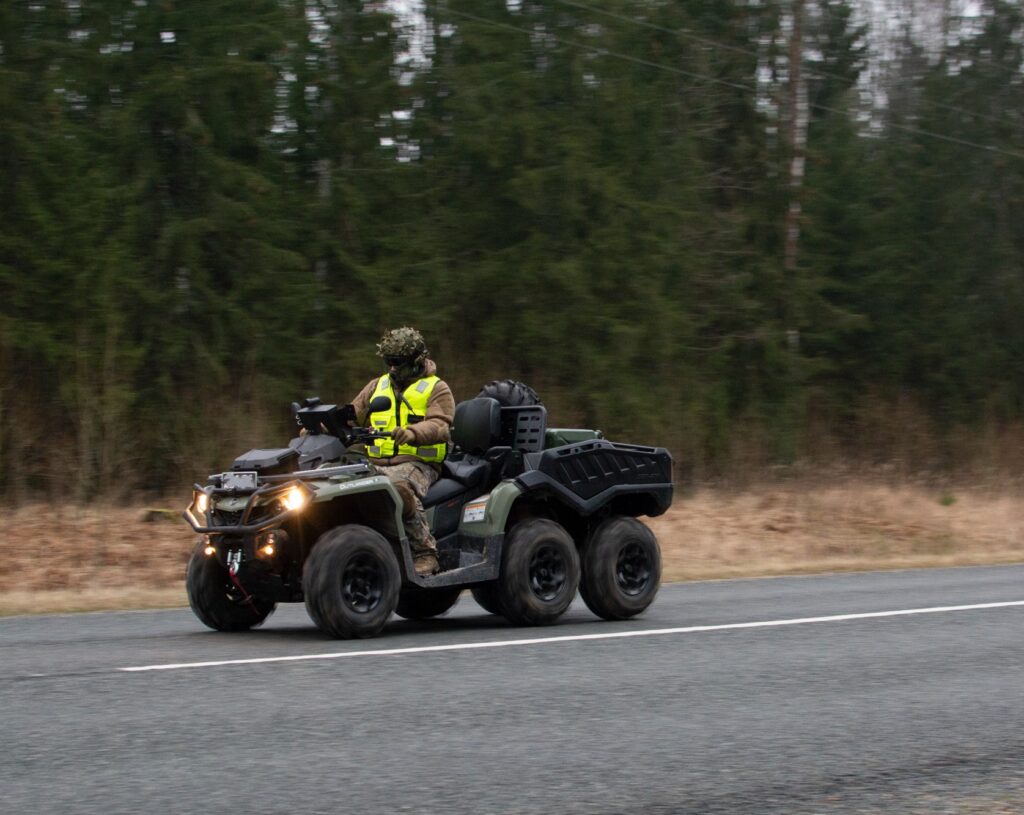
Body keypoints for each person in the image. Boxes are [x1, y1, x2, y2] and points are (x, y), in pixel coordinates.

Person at [349, 327, 455, 576]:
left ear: (416, 360)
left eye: (397, 363)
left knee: (397, 489)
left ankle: (426, 552)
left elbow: (440, 425)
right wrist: (322, 426)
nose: (392, 368)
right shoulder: (377, 386)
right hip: (375, 461)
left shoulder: (436, 388)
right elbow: (352, 415)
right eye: (388, 362)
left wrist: (413, 432)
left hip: (419, 463)